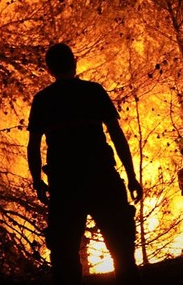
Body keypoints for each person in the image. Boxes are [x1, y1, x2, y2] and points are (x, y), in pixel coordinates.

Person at [27, 43, 143, 285]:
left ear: (50, 69)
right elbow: (116, 134)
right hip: (102, 179)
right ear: (75, 62)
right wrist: (131, 175)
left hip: (64, 185)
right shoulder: (93, 92)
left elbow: (34, 146)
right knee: (121, 247)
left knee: (65, 254)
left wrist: (38, 182)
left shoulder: (43, 100)